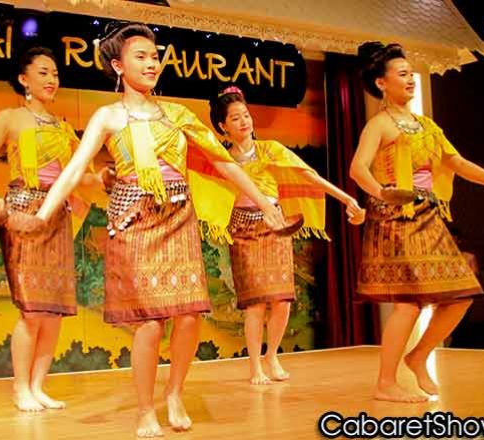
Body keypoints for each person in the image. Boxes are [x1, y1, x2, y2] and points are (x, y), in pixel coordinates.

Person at [20, 24, 288, 437]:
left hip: (178, 215)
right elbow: (74, 170)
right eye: (141, 56)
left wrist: (266, 203)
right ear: (117, 65)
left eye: (154, 55)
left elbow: (224, 162)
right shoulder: (107, 116)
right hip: (134, 219)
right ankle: (146, 409)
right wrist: (43, 216)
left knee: (190, 315)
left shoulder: (178, 114)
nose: (151, 62)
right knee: (149, 322)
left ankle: (175, 392)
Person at [348, 42, 484, 403]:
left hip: (429, 215)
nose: (411, 80)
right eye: (403, 74)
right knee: (409, 302)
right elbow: (357, 169)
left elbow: (456, 162)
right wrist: (383, 192)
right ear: (381, 83)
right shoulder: (379, 124)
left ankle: (419, 354)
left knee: (461, 295)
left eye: (412, 74)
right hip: (397, 215)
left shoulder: (426, 126)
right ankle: (385, 382)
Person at [0, 47, 101, 412]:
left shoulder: (61, 128)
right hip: (22, 215)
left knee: (52, 309)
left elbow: (76, 177)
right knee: (31, 309)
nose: (51, 79)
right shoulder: (9, 118)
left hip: (57, 216)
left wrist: (101, 177)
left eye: (55, 73)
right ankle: (20, 387)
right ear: (23, 79)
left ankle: (39, 387)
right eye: (43, 72)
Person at [209, 85, 364, 384]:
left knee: (282, 300)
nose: (244, 121)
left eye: (246, 115)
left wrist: (346, 198)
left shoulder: (270, 150)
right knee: (254, 303)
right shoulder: (221, 158)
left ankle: (272, 357)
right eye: (235, 118)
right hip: (243, 230)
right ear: (222, 126)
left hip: (276, 228)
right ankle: (255, 365)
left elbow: (310, 176)